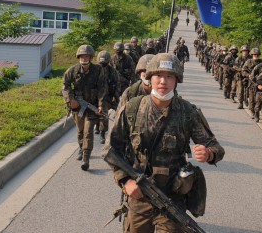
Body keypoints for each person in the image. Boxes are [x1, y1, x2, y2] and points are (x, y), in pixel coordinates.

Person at [102, 53, 225, 232]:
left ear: (176, 81)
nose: (163, 81)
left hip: (173, 198)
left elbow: (215, 147)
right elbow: (110, 149)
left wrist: (208, 153)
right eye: (158, 76)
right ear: (150, 78)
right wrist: (126, 181)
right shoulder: (133, 109)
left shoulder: (187, 112)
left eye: (169, 76)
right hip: (139, 197)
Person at [62, 44, 107, 170]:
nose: (84, 58)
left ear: (91, 57)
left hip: (91, 107)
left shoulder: (98, 70)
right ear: (78, 57)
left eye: (86, 56)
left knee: (88, 132)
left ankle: (86, 157)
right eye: (82, 56)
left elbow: (102, 88)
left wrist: (100, 105)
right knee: (80, 132)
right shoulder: (73, 70)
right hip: (78, 108)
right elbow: (65, 86)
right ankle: (81, 149)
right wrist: (70, 100)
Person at [97, 50, 122, 144]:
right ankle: (100, 130)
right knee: (101, 115)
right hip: (98, 97)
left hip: (109, 96)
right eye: (101, 62)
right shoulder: (95, 70)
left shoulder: (113, 71)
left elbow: (117, 83)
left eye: (104, 63)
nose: (102, 65)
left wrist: (116, 96)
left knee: (118, 111)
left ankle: (107, 132)